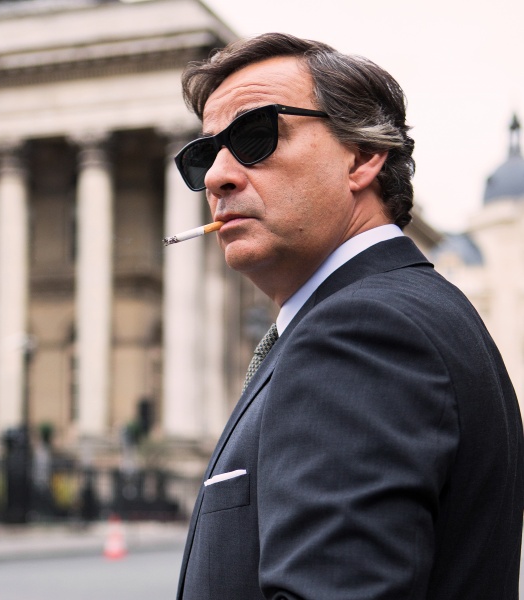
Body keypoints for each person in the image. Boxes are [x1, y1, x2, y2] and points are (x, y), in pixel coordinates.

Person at [173, 33, 524, 600]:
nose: (217, 176)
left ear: (361, 156)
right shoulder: (397, 311)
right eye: (202, 156)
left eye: (256, 136)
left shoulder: (362, 331)